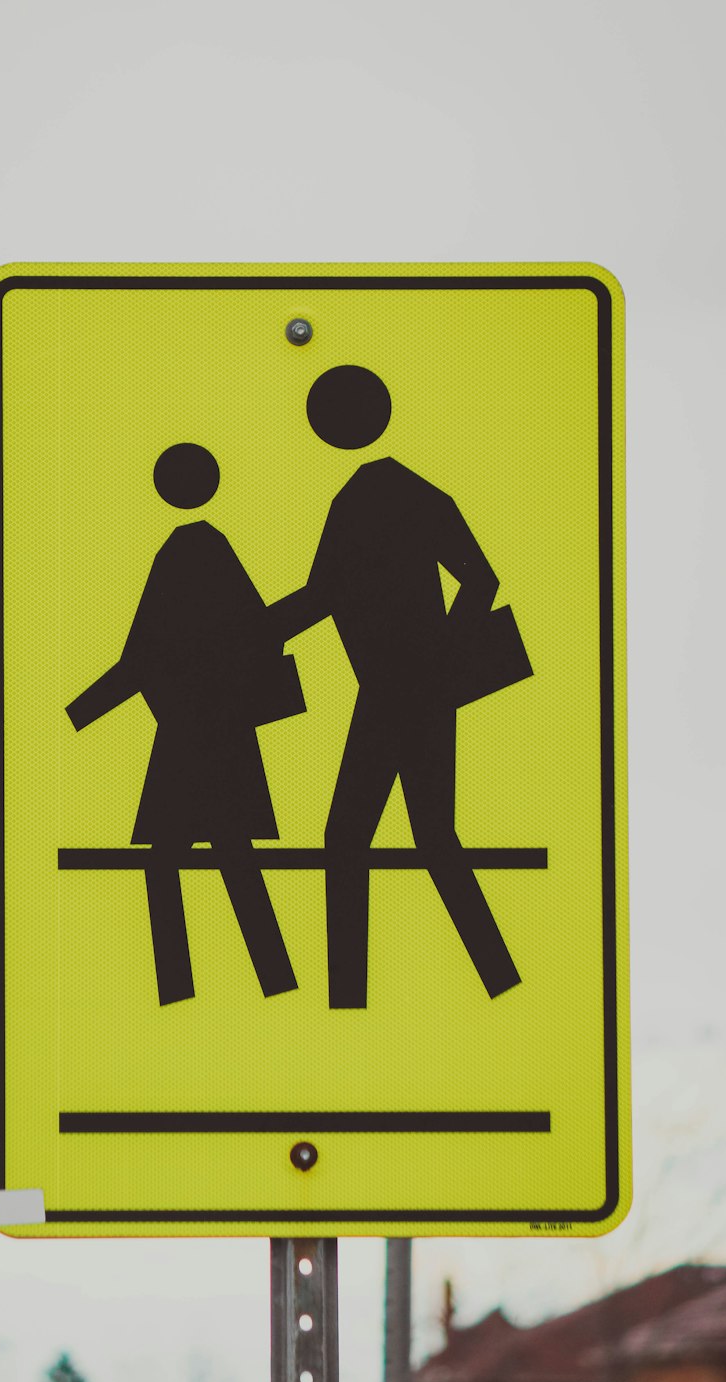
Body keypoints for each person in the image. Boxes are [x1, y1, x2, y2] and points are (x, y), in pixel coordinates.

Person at [271, 366, 522, 1009]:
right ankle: (497, 980)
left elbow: (324, 596)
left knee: (353, 839)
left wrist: (249, 634)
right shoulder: (401, 494)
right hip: (407, 692)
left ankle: (349, 999)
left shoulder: (366, 499)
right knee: (427, 839)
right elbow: (478, 581)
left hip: (396, 693)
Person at [67, 442, 302, 1006]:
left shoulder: (181, 554)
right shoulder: (212, 550)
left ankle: (182, 991)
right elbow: (260, 634)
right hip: (220, 738)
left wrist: (81, 713)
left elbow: (140, 658)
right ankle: (274, 981)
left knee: (173, 862)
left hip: (190, 741)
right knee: (231, 860)